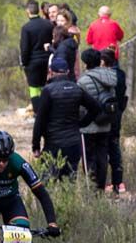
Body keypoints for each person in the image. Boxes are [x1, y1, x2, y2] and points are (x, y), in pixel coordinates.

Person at [31, 56, 101, 178]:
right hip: (74, 144)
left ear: (51, 72)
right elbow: (96, 108)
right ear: (68, 72)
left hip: (53, 145)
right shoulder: (76, 88)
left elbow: (40, 120)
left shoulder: (48, 91)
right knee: (69, 182)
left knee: (47, 183)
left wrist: (35, 145)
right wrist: (82, 123)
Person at [77, 48, 119, 190]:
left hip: (88, 126)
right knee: (102, 157)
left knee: (89, 159)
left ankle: (92, 190)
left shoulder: (83, 81)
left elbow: (81, 106)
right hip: (105, 123)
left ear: (86, 63)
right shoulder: (111, 77)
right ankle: (101, 188)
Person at [99, 49, 128, 194]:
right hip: (117, 116)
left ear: (103, 61)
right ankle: (118, 183)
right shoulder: (121, 74)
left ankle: (102, 184)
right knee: (115, 148)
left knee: (103, 150)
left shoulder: (103, 76)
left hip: (105, 117)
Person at [19, 0, 54, 116]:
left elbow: (24, 48)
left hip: (32, 62)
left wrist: (24, 62)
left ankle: (39, 115)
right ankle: (49, 113)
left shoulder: (26, 28)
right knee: (46, 88)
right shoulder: (48, 24)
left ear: (27, 11)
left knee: (34, 89)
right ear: (39, 10)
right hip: (47, 60)